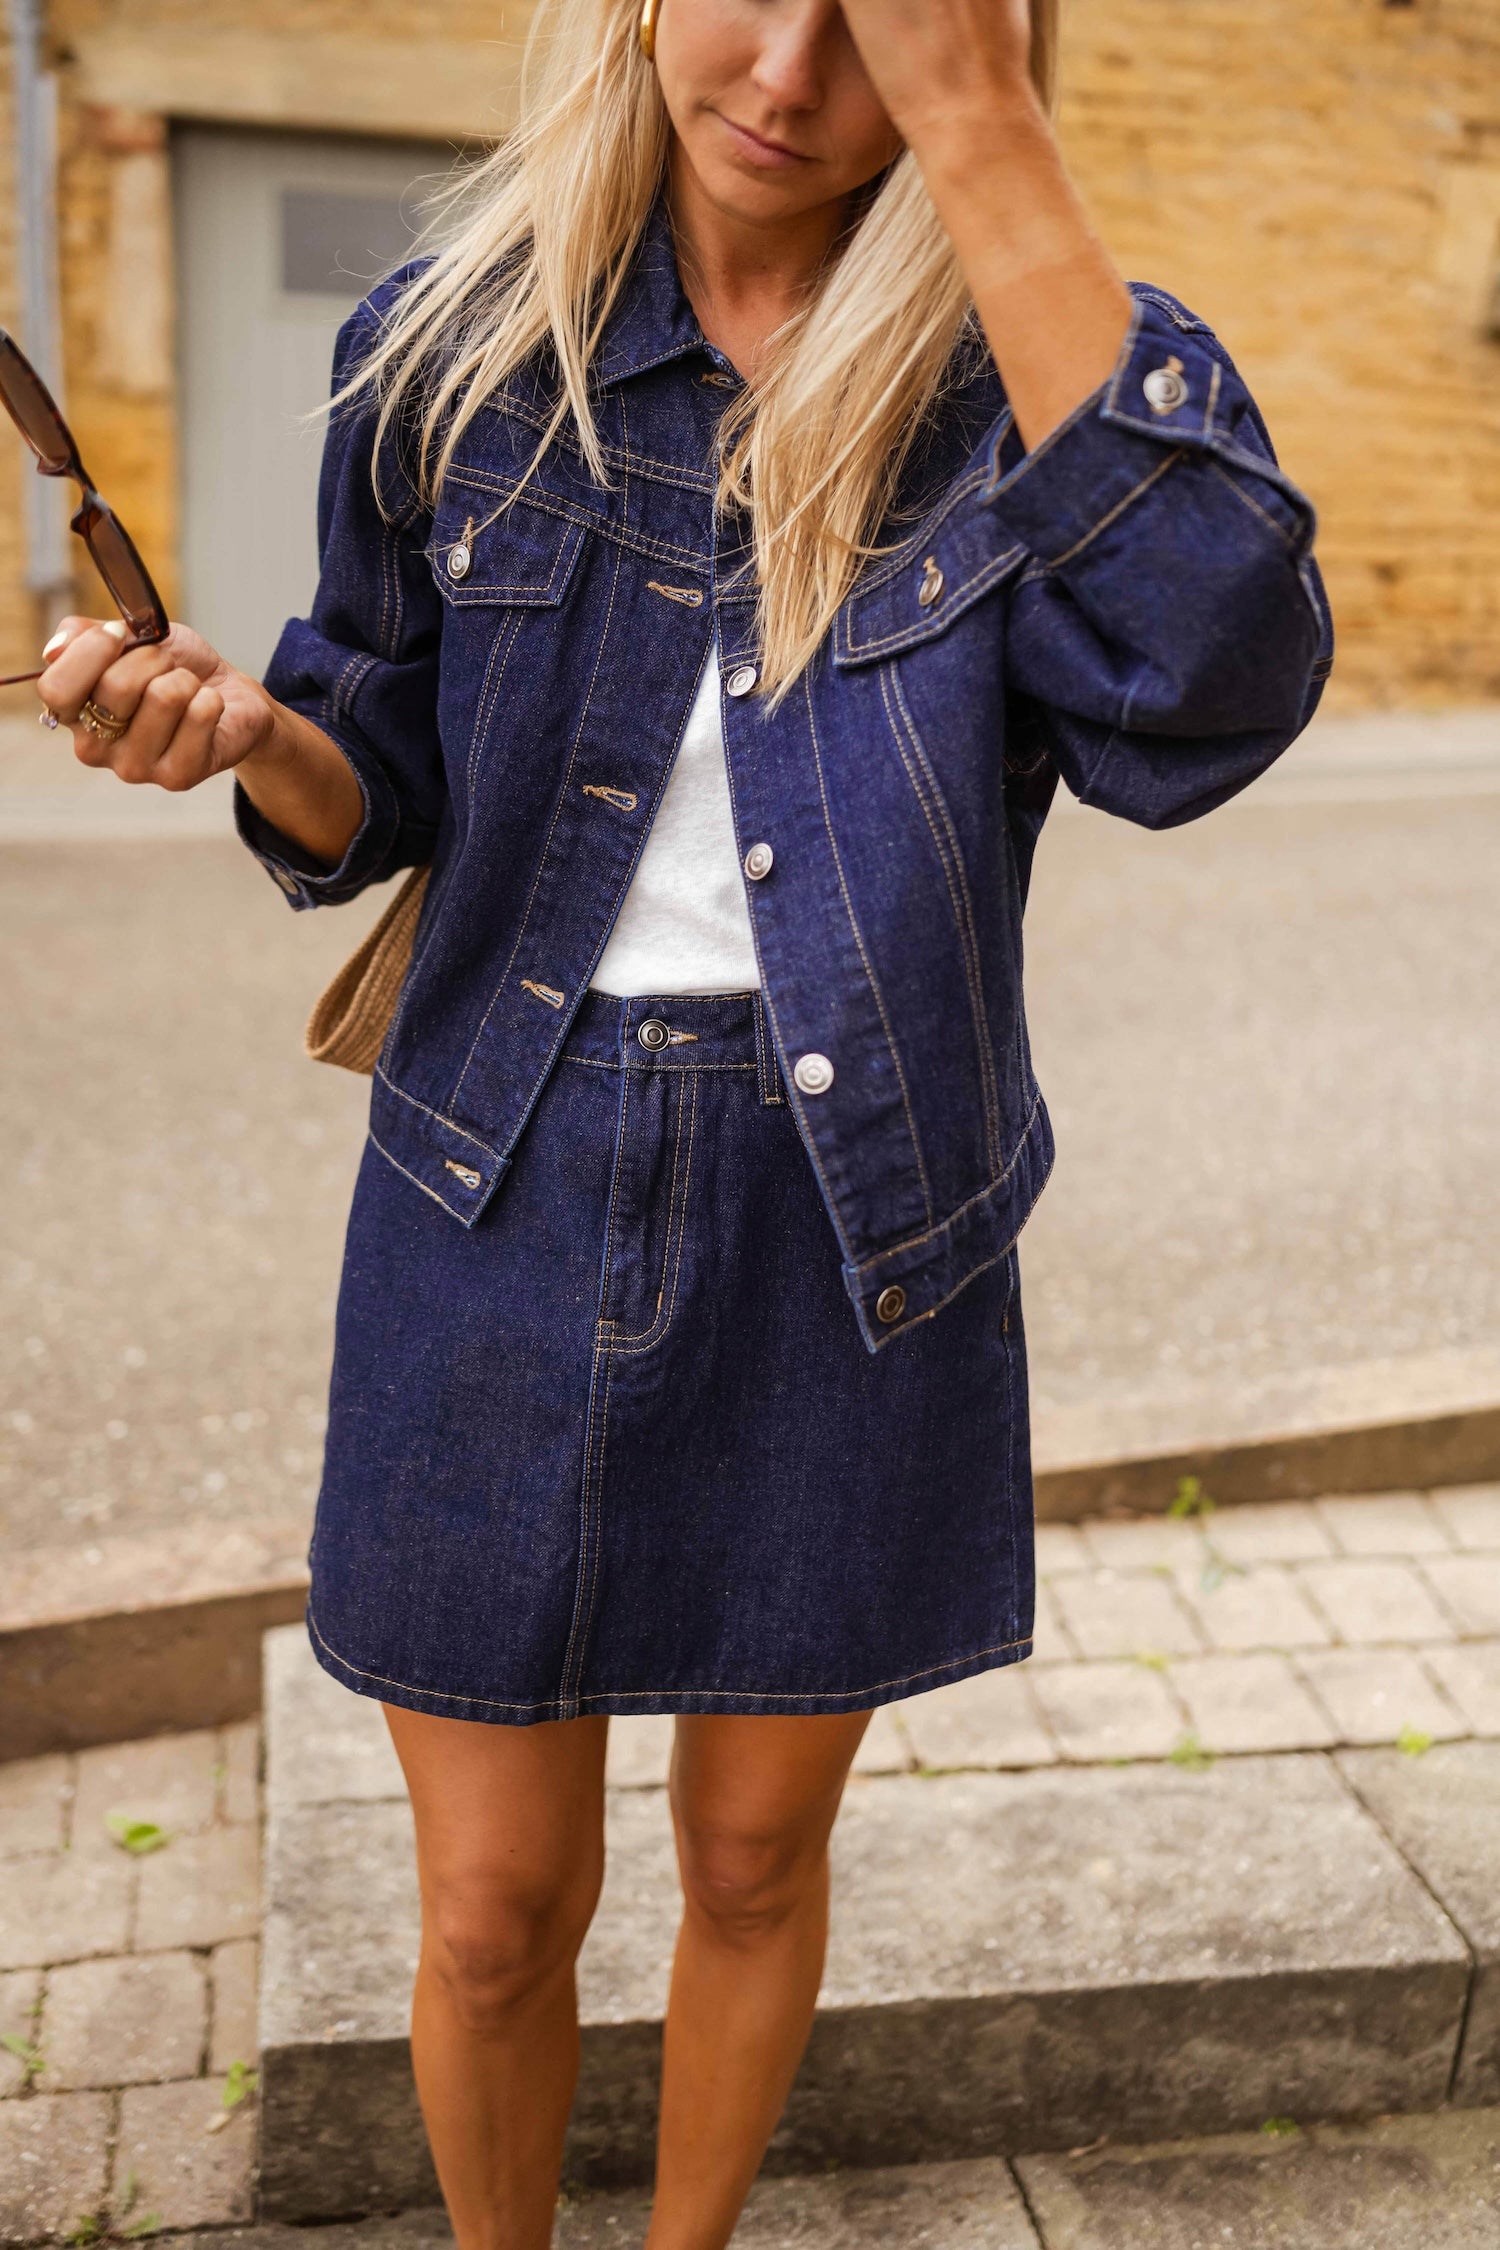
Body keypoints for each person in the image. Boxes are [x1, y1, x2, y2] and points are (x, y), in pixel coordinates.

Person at [37, 1, 1332, 2242]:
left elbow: (1206, 694)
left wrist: (989, 134)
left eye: (889, 19)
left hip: (859, 1209)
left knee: (750, 1857)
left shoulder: (1028, 374)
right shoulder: (450, 345)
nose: (792, 63)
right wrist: (249, 737)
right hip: (494, 1180)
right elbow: (380, 786)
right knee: (486, 1911)